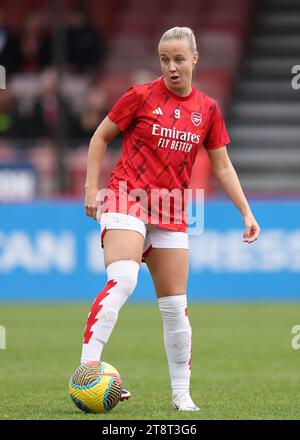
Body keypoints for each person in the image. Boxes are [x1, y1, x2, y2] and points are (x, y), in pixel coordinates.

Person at [78, 27, 261, 412]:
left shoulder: (208, 110)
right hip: (127, 195)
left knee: (176, 306)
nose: (171, 67)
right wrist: (91, 189)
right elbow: (99, 137)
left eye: (179, 59)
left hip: (173, 208)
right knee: (124, 278)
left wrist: (245, 211)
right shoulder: (140, 96)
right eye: (165, 60)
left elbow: (223, 167)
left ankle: (181, 395)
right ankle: (87, 371)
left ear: (195, 58)